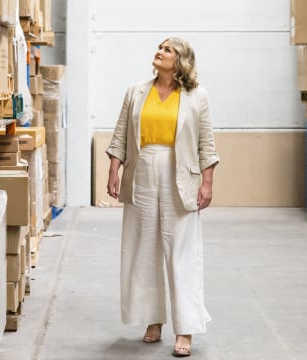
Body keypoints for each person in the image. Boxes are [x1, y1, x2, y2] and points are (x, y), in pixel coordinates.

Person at [105, 37, 219, 357]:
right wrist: (115, 171)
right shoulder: (136, 91)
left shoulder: (197, 96)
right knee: (144, 249)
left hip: (180, 172)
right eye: (159, 47)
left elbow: (206, 146)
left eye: (167, 49)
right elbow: (120, 136)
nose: (160, 52)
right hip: (141, 171)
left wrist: (206, 184)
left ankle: (186, 328)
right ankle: (152, 320)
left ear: (180, 59)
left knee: (181, 251)